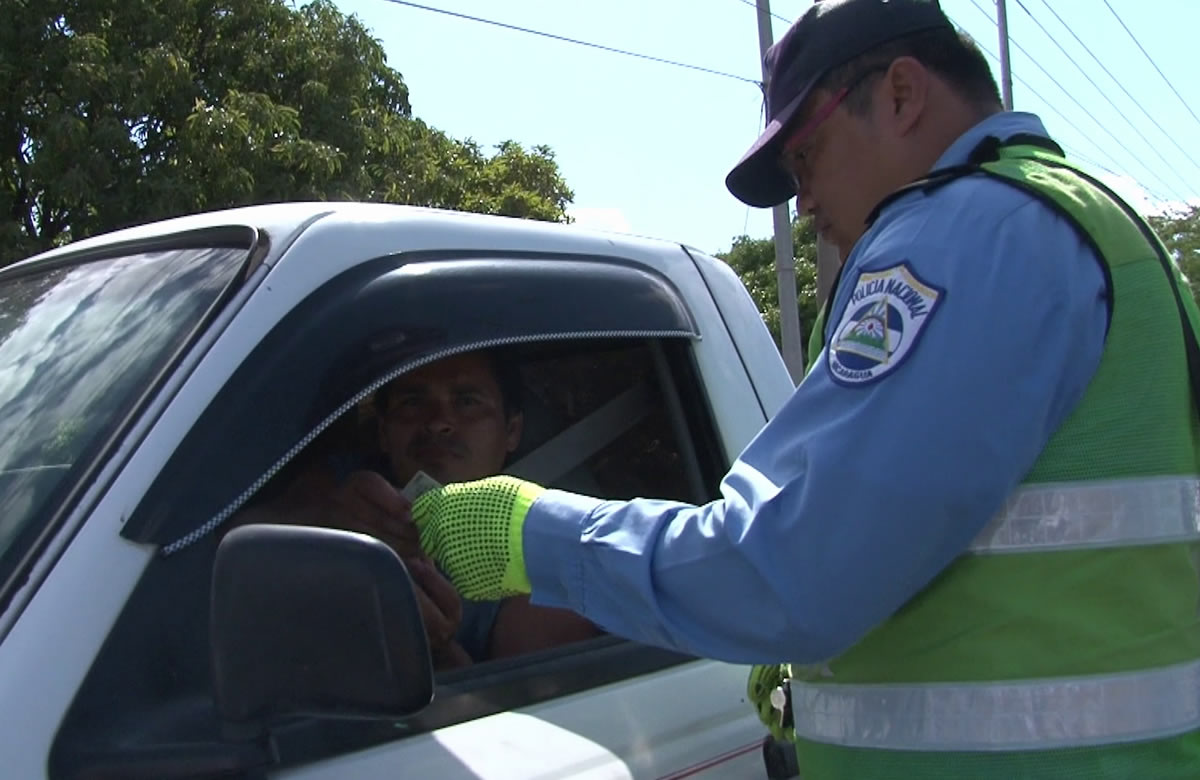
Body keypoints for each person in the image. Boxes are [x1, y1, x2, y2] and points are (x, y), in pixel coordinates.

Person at [409, 0, 1200, 777]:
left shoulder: (963, 234)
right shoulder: (1086, 221)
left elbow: (788, 571)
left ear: (900, 94)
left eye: (806, 160)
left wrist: (527, 533)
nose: (805, 203)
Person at [233, 349, 599, 669]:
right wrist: (322, 521)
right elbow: (231, 544)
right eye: (412, 402)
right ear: (383, 432)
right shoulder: (343, 483)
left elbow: (516, 728)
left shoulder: (544, 561)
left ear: (512, 431)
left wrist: (435, 648)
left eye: (467, 401)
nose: (438, 421)